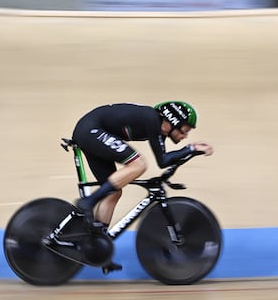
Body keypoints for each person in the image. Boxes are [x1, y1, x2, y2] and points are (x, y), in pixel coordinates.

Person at [72, 101, 214, 273]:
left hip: (93, 131)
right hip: (91, 130)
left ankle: (98, 248)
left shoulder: (158, 130)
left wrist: (191, 151)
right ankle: (88, 201)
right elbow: (162, 161)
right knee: (138, 164)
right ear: (173, 120)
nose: (185, 135)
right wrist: (191, 148)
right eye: (185, 130)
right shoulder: (151, 119)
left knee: (113, 192)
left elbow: (163, 161)